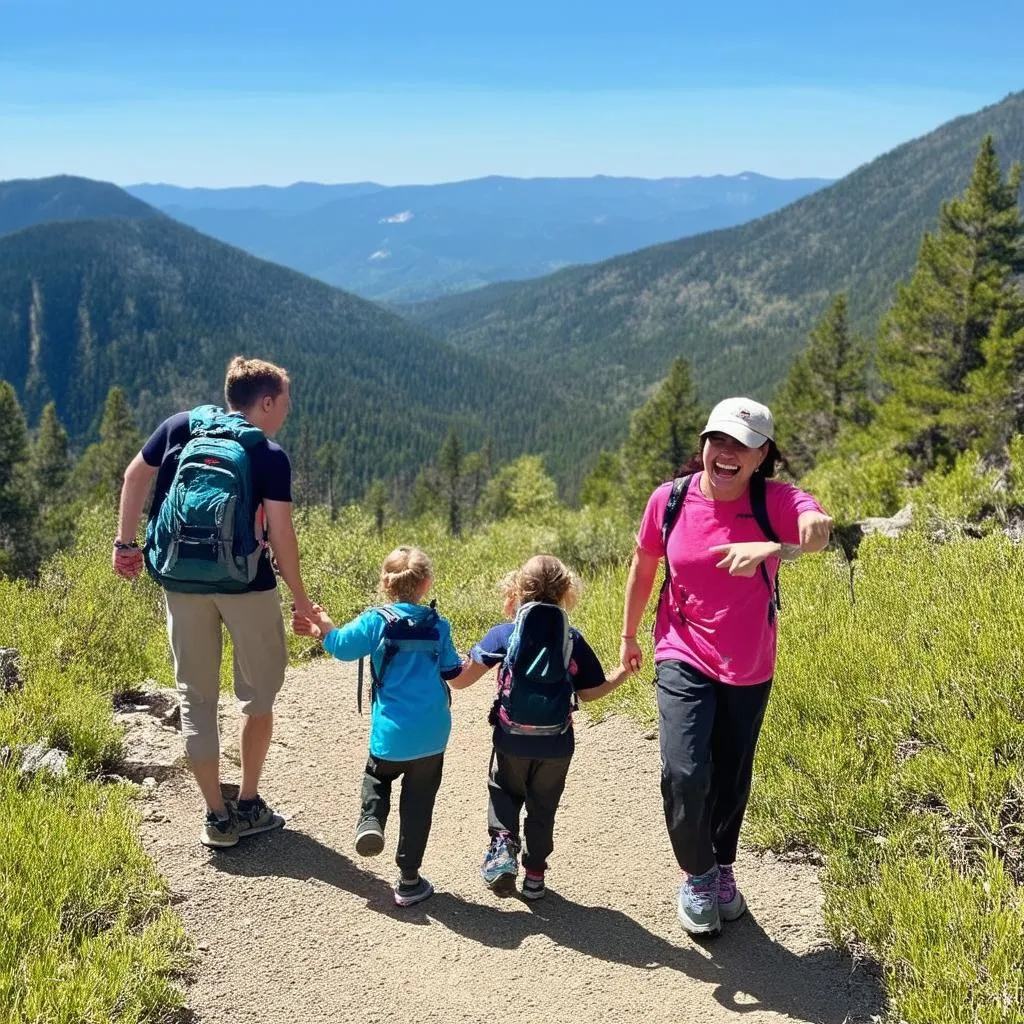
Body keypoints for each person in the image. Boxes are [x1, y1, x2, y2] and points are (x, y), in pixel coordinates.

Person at [620, 397, 831, 937]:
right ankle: (699, 874)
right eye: (718, 440)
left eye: (742, 444)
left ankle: (724, 867)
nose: (727, 453)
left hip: (749, 661)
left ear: (763, 455)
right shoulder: (669, 500)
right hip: (681, 648)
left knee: (732, 772)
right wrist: (628, 636)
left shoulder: (775, 500)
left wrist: (773, 547)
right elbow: (645, 564)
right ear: (704, 446)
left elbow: (817, 533)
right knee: (685, 770)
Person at [113, 357, 315, 849]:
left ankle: (216, 818)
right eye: (284, 403)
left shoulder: (180, 427)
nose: (286, 412)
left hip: (180, 580)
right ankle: (248, 802)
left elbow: (134, 477)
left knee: (196, 699)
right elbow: (282, 535)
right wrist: (302, 601)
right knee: (258, 695)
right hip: (248, 585)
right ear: (266, 402)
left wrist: (126, 543)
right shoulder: (267, 452)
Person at [453, 554, 633, 900]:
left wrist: (436, 661)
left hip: (511, 739)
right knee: (543, 805)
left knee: (504, 788)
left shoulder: (504, 634)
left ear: (517, 588)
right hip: (556, 743)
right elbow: (591, 692)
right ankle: (535, 875)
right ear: (566, 591)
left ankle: (503, 847)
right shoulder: (572, 638)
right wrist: (622, 674)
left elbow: (462, 680)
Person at [292, 546, 463, 908]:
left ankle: (371, 820)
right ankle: (409, 880)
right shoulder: (438, 625)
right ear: (427, 583)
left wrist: (323, 625)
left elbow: (340, 647)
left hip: (390, 735)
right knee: (418, 806)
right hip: (432, 736)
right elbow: (452, 671)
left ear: (385, 583)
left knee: (377, 778)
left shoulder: (375, 620)